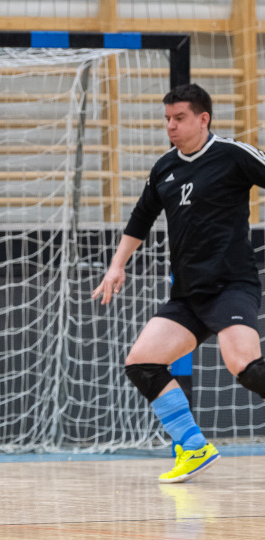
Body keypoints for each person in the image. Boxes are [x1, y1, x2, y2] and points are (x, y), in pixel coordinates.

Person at [93, 83, 265, 483]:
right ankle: (193, 446)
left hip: (231, 286)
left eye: (180, 118)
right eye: (167, 119)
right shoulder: (165, 168)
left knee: (245, 366)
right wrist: (116, 266)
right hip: (188, 294)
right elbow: (140, 219)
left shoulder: (232, 155)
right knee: (141, 362)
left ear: (203, 119)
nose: (171, 126)